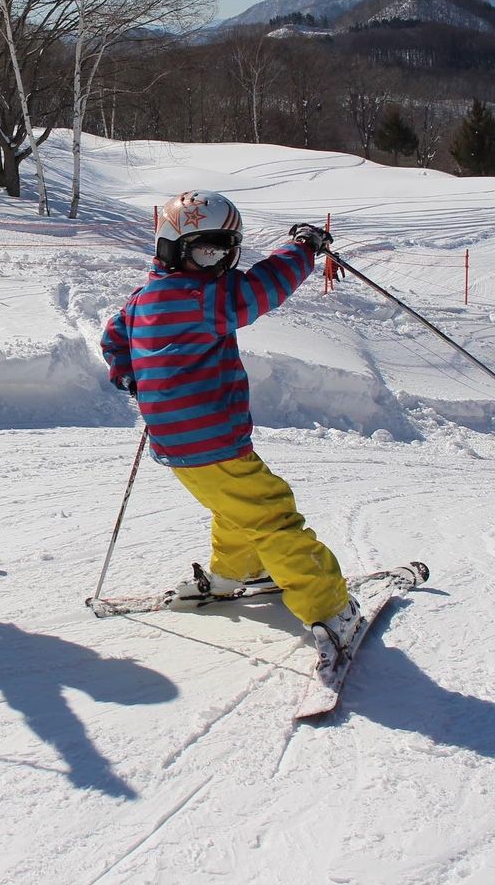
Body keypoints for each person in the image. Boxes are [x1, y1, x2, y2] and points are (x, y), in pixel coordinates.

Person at [100, 190, 360, 663]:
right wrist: (304, 247)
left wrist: (130, 375)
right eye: (204, 249)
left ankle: (234, 572)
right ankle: (329, 606)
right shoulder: (209, 298)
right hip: (214, 438)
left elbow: (113, 339)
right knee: (272, 515)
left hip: (175, 444)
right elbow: (264, 286)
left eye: (224, 251)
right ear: (171, 248)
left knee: (233, 505)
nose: (215, 262)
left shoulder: (141, 300)